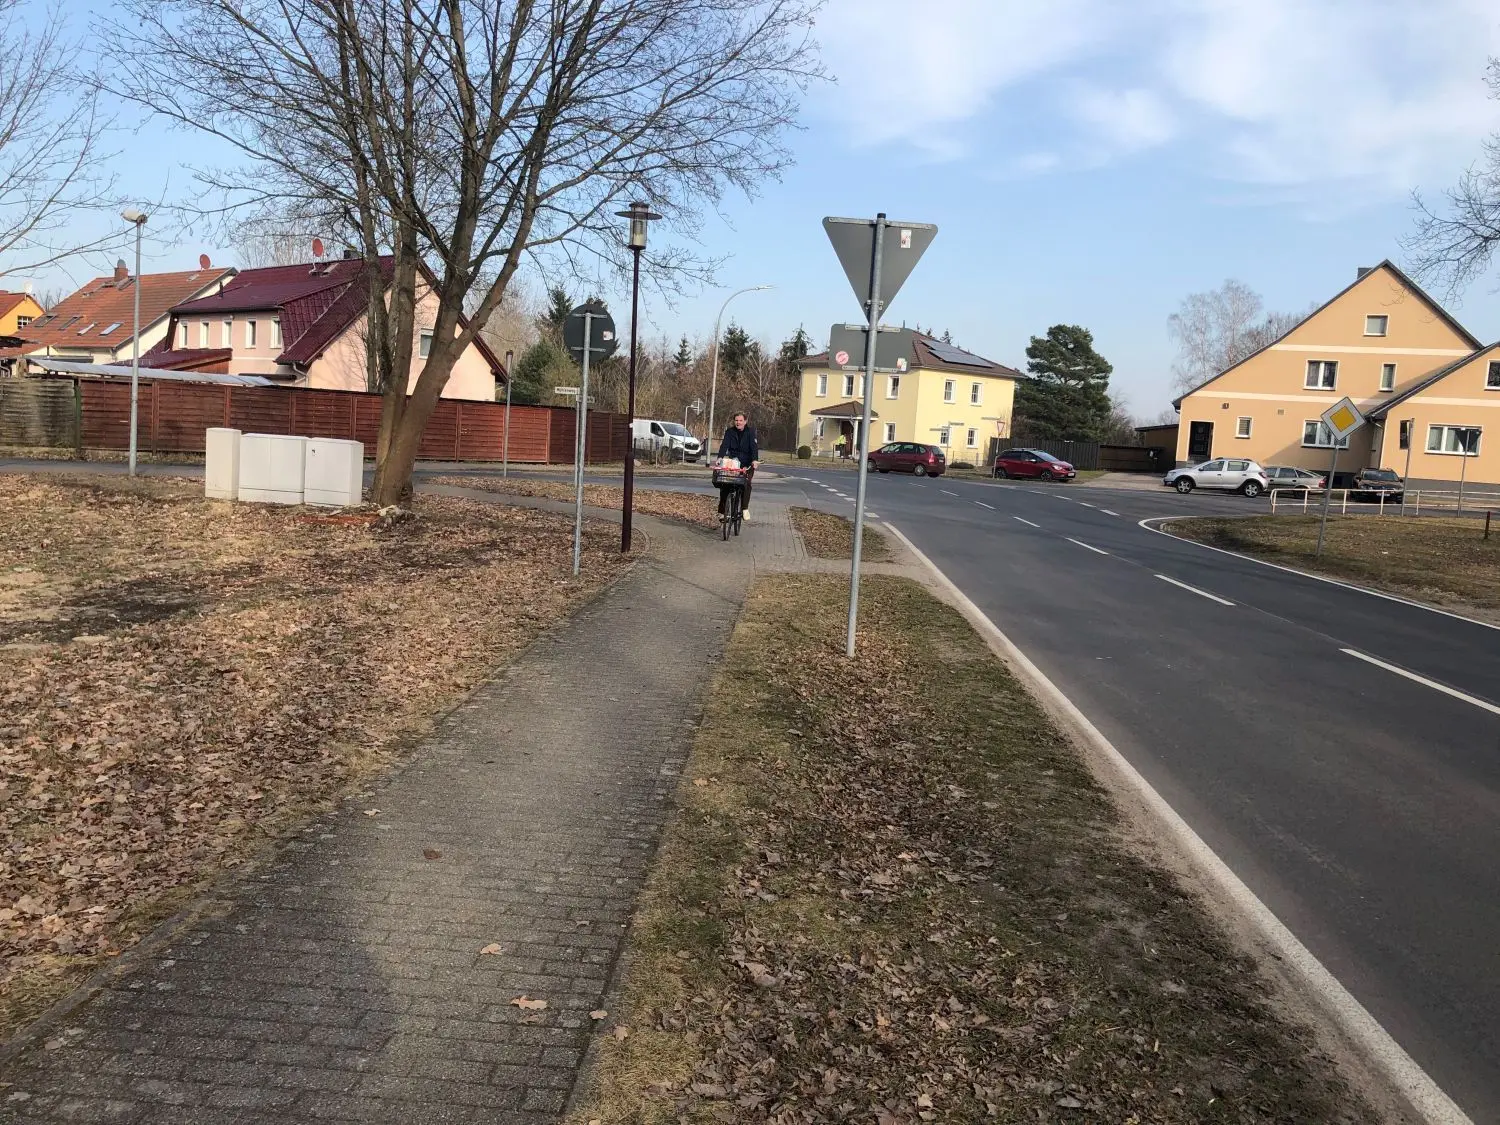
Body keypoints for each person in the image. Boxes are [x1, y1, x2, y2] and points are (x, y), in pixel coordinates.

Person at [713, 411, 760, 521]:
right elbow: (724, 445)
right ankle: (722, 512)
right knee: (725, 484)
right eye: (736, 420)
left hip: (747, 463)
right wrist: (720, 457)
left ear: (745, 421)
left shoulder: (751, 432)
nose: (738, 423)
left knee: (746, 485)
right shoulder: (730, 432)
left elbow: (754, 447)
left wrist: (754, 461)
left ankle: (744, 508)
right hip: (733, 462)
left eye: (740, 421)